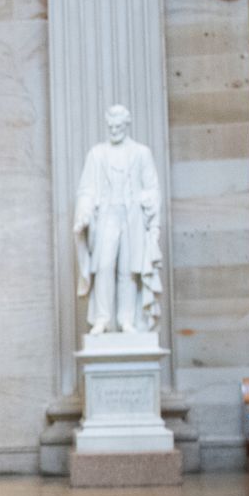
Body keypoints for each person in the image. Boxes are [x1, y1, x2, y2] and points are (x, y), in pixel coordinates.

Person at [72, 104, 163, 335]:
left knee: (128, 271)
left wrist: (146, 203)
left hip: (131, 217)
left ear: (126, 124)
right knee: (103, 266)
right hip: (106, 216)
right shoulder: (97, 154)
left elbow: (152, 187)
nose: (115, 130)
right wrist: (83, 213)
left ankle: (126, 320)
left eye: (119, 126)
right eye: (111, 126)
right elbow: (86, 190)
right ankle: (103, 318)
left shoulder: (141, 153)